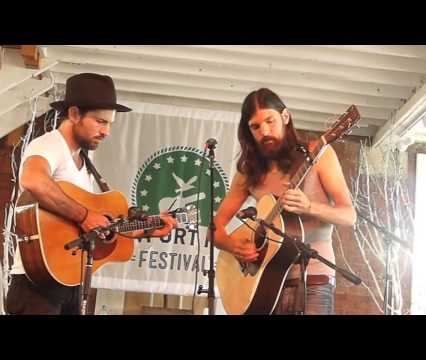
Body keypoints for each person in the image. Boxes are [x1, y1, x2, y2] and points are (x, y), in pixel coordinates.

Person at [5, 73, 177, 315]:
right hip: (37, 285)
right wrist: (85, 215)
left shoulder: (84, 163)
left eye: (109, 124)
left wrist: (149, 228)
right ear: (74, 114)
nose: (106, 131)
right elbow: (33, 180)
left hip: (70, 283)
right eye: (100, 121)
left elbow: (99, 227)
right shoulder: (49, 145)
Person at [213, 88, 356, 315]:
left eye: (270, 121)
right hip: (263, 282)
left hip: (314, 276)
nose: (265, 131)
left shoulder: (319, 154)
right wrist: (232, 246)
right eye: (256, 127)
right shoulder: (249, 172)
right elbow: (215, 228)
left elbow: (349, 215)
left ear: (285, 117)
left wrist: (310, 207)